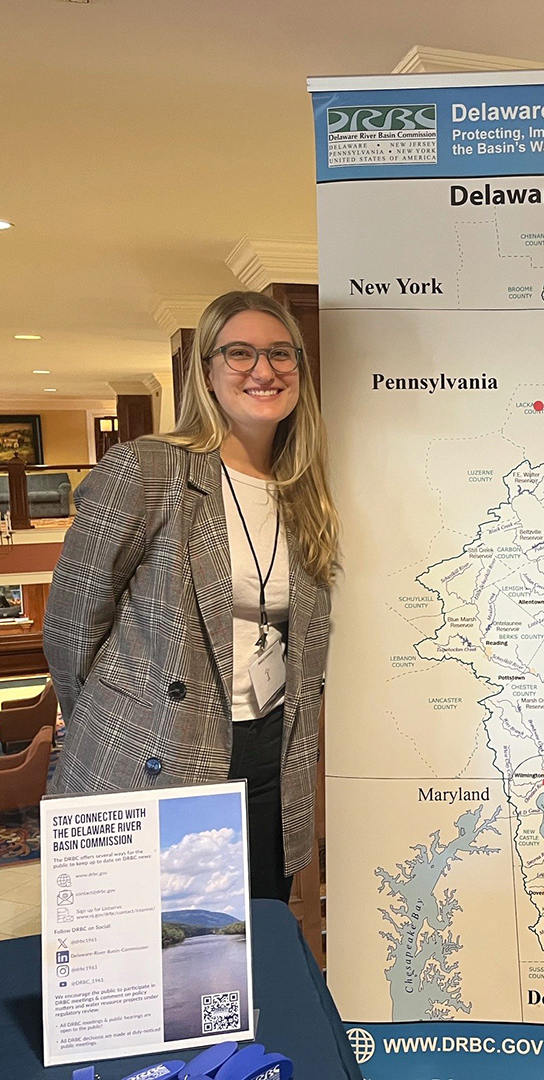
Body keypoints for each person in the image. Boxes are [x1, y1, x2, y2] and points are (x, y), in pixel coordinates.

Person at [44, 291, 339, 902]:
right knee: (147, 961)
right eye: (240, 353)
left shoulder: (305, 489)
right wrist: (120, 723)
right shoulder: (148, 471)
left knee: (250, 941)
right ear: (206, 370)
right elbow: (72, 628)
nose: (264, 370)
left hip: (269, 752)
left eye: (281, 354)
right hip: (154, 751)